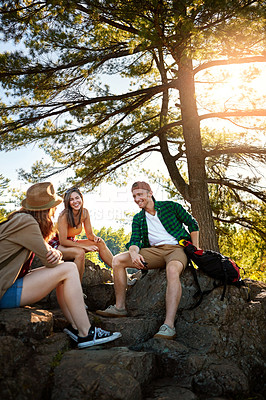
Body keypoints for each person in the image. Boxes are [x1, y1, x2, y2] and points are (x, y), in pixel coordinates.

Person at [0, 182, 121, 349]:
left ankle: (76, 326)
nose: (55, 210)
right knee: (68, 269)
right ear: (45, 209)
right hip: (4, 291)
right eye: (53, 206)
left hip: (11, 282)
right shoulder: (27, 223)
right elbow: (51, 260)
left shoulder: (20, 219)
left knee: (63, 273)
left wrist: (54, 253)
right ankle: (86, 333)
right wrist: (55, 254)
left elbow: (49, 253)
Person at [96, 181, 199, 340]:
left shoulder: (170, 207)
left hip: (177, 249)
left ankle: (168, 325)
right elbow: (134, 241)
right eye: (134, 196)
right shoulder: (138, 218)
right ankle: (120, 307)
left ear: (150, 193)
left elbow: (193, 224)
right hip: (154, 252)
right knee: (117, 260)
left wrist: (195, 250)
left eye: (139, 195)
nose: (137, 199)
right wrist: (134, 253)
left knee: (172, 270)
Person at [49, 187, 113, 281]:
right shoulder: (64, 216)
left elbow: (90, 235)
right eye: (71, 199)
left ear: (81, 198)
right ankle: (77, 286)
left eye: (77, 198)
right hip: (57, 244)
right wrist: (84, 247)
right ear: (68, 202)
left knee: (100, 243)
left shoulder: (85, 212)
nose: (75, 201)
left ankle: (119, 270)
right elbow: (63, 241)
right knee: (80, 252)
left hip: (72, 242)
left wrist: (95, 238)